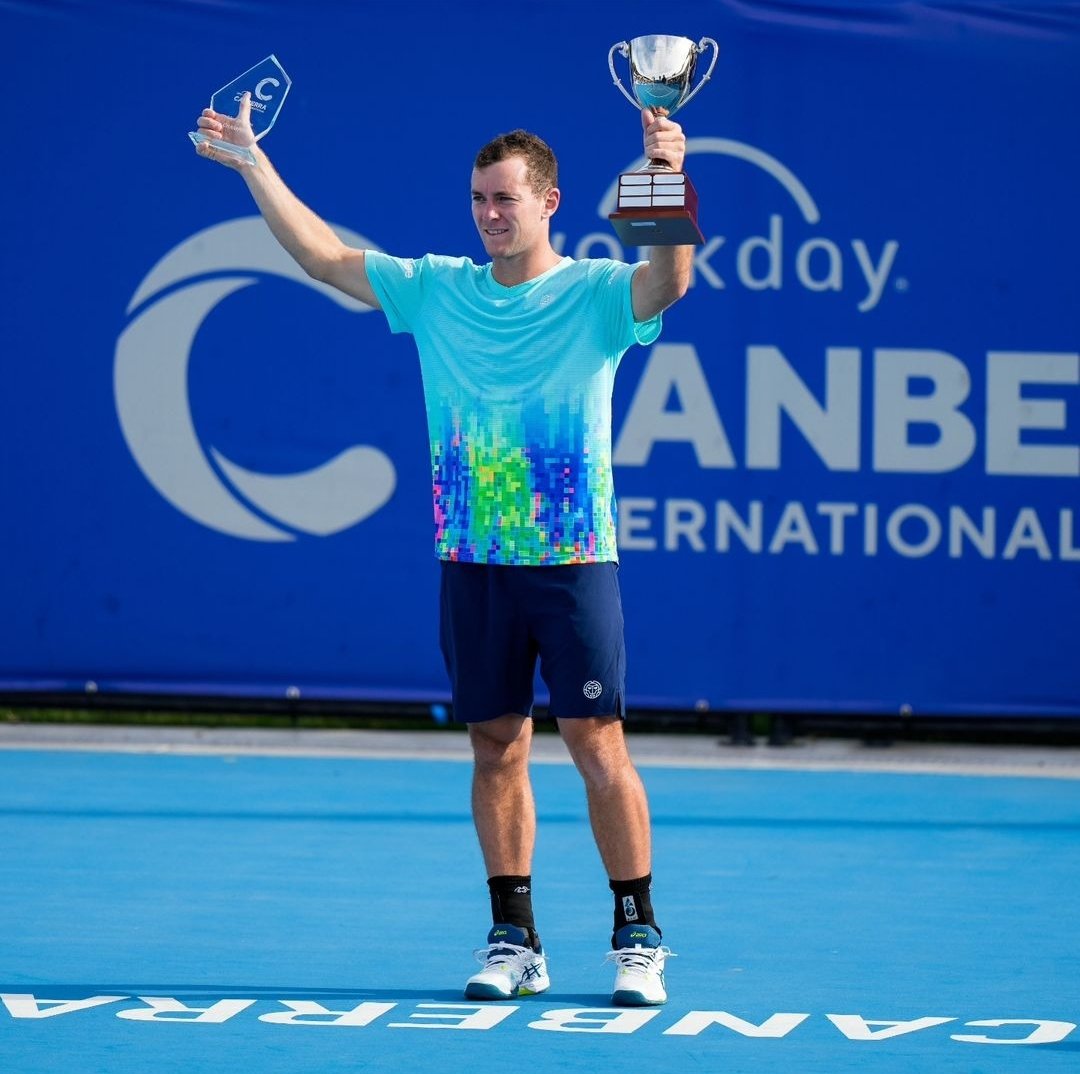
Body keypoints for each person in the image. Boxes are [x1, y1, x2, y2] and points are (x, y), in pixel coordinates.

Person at [194, 93, 694, 1006]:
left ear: (549, 201)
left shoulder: (591, 295)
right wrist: (253, 163)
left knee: (596, 741)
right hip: (473, 562)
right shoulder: (436, 289)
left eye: (505, 198)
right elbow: (322, 256)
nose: (489, 215)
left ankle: (637, 932)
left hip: (575, 560)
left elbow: (667, 283)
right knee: (497, 743)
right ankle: (515, 938)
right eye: (477, 200)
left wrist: (664, 172)